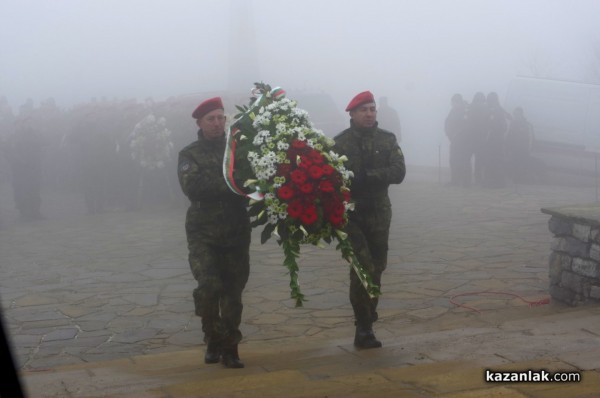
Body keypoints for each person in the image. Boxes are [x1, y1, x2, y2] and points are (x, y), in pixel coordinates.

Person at [177, 97, 251, 368]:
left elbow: (254, 179)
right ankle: (212, 335)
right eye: (211, 119)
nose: (218, 123)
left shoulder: (238, 150)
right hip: (203, 230)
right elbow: (193, 187)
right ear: (199, 123)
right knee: (209, 287)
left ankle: (230, 347)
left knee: (233, 291)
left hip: (236, 228)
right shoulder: (189, 154)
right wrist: (233, 184)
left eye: (221, 117)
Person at [333, 91, 406, 349]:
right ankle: (363, 327)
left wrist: (371, 175)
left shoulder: (387, 140)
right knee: (362, 268)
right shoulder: (339, 144)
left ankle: (368, 318)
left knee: (377, 268)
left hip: (379, 212)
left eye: (372, 109)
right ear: (352, 114)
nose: (369, 113)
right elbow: (329, 178)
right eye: (363, 110)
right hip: (351, 214)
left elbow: (399, 171)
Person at [444, 94, 469, 187]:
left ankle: (464, 182)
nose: (452, 104)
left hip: (462, 141)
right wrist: (449, 134)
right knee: (453, 160)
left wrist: (455, 135)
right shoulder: (453, 110)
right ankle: (455, 180)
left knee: (462, 161)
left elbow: (465, 126)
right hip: (454, 140)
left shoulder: (465, 111)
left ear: (458, 102)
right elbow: (448, 122)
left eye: (454, 102)